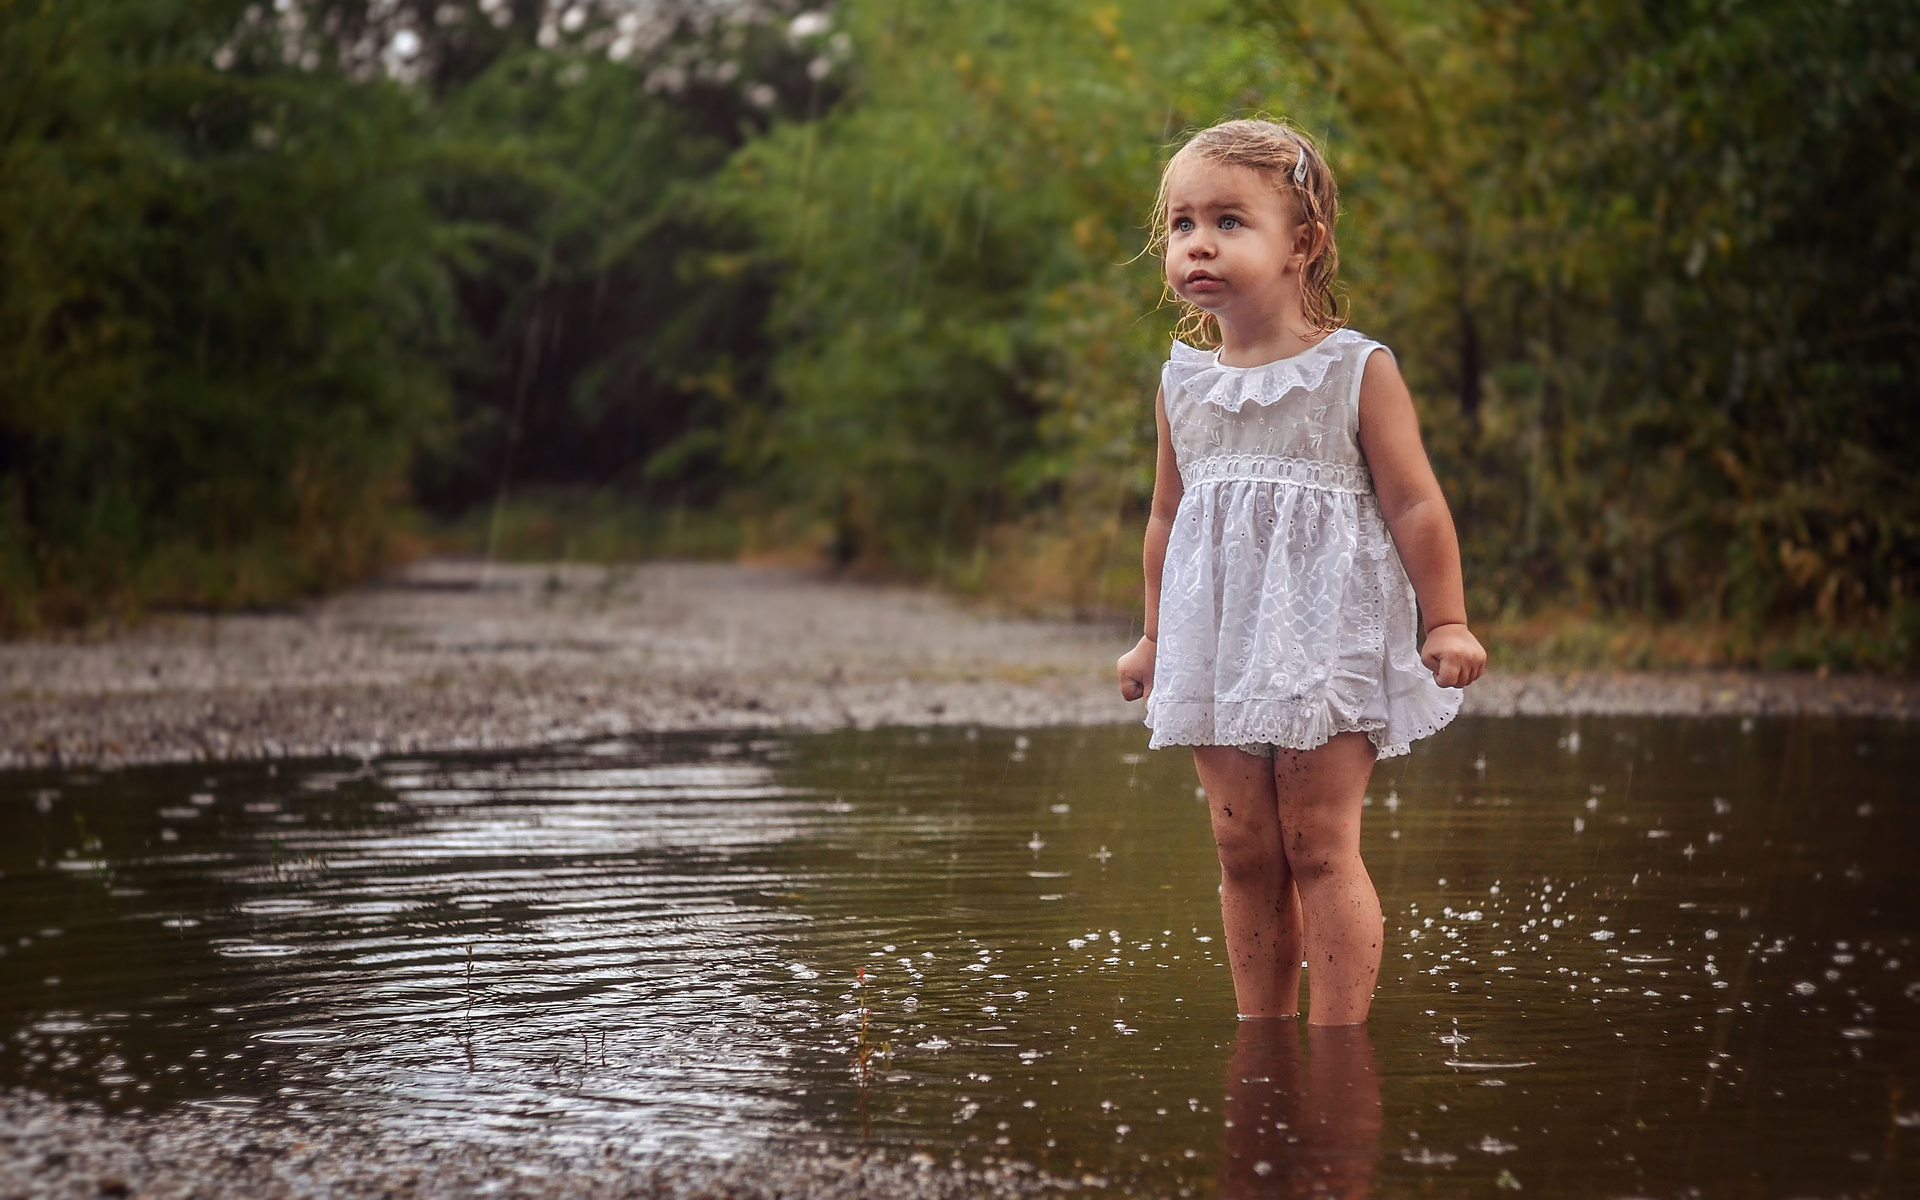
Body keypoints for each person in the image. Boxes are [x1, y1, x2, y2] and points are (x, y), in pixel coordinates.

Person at [1115, 118, 1486, 1025]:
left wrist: (1446, 619)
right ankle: (1264, 1041)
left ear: (1302, 244)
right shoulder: (1183, 385)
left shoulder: (1354, 370)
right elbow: (1168, 517)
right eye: (1182, 224)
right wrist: (1157, 636)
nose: (1198, 242)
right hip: (1218, 643)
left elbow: (1415, 506)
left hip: (1328, 637)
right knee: (1244, 850)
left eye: (1230, 221)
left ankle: (1340, 1047)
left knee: (1317, 843)